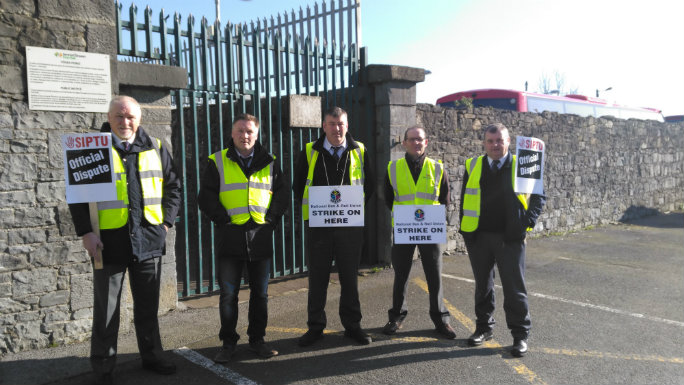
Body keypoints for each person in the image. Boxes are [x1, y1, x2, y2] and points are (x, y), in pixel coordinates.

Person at [68, 96, 182, 385]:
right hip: (108, 244)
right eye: (119, 116)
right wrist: (86, 232)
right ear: (109, 117)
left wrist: (166, 224)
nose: (125, 121)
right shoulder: (92, 148)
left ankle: (152, 356)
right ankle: (104, 367)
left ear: (139, 118)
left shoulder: (156, 148)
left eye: (130, 116)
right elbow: (78, 197)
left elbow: (174, 188)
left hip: (149, 241)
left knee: (148, 307)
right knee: (106, 311)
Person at [198, 113, 288, 363]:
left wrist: (270, 220)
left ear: (256, 135)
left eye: (249, 131)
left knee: (260, 294)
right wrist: (223, 221)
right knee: (228, 295)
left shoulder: (270, 161)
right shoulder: (217, 161)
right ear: (231, 133)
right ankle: (228, 344)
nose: (245, 135)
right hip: (231, 237)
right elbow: (205, 196)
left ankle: (257, 341)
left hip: (260, 236)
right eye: (240, 131)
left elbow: (282, 194)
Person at [458, 123, 545, 357]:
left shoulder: (523, 164)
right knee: (483, 286)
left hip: (510, 238)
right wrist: (466, 231)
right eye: (490, 141)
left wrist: (525, 224)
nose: (495, 145)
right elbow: (465, 196)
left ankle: (520, 336)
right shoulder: (473, 164)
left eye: (500, 140)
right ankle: (484, 328)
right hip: (479, 236)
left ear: (508, 142)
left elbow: (538, 198)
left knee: (515, 288)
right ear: (484, 143)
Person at [292, 106, 375, 347]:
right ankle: (315, 326)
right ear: (324, 126)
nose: (337, 128)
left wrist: (350, 210)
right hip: (319, 226)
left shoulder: (359, 150)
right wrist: (320, 212)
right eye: (332, 123)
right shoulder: (309, 151)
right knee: (317, 277)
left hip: (350, 225)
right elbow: (299, 186)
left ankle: (353, 325)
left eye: (341, 124)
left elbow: (368, 184)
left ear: (347, 126)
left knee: (350, 277)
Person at [382, 126, 457, 339]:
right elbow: (388, 198)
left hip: (429, 229)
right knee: (401, 274)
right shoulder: (392, 168)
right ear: (404, 142)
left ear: (426, 142)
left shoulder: (438, 167)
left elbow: (445, 198)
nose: (416, 143)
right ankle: (396, 317)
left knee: (434, 276)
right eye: (412, 139)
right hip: (405, 228)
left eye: (420, 139)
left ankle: (441, 319)